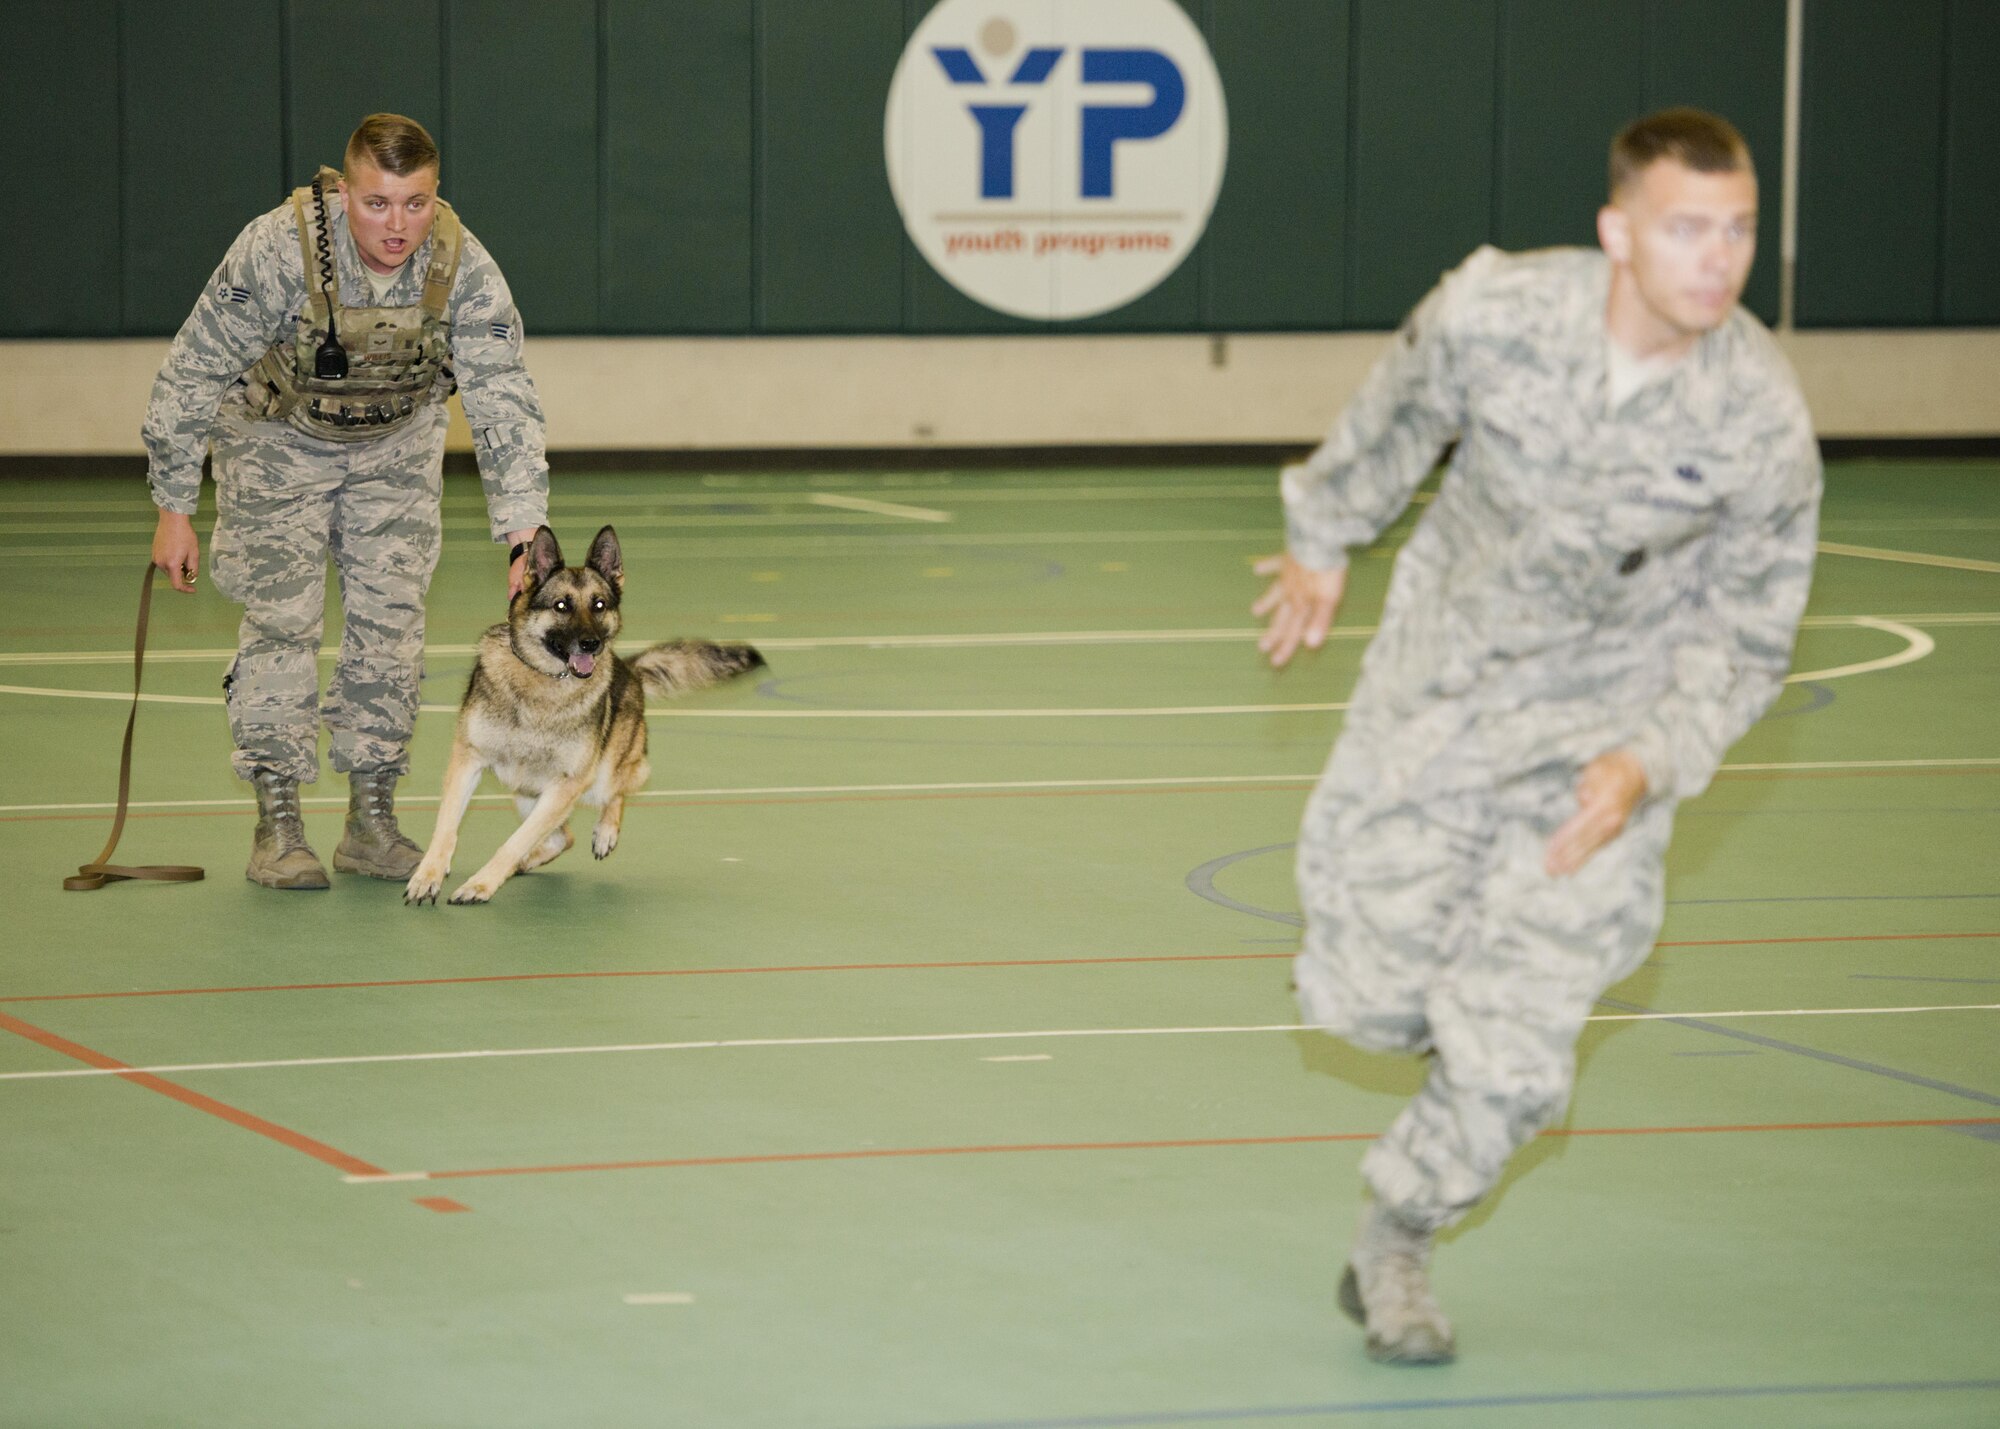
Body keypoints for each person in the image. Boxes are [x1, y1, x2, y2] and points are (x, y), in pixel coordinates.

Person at [1252, 108, 1820, 1364]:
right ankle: (1437, 1006)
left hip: (1599, 748)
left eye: (1736, 231)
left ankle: (1396, 1230)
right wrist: (1319, 538)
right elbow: (1393, 413)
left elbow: (1746, 638)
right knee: (1364, 991)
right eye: (1686, 229)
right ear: (1617, 232)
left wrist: (1648, 760)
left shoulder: (1758, 418)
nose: (1716, 260)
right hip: (1441, 690)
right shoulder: (1495, 311)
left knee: (1513, 1055)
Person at [145, 113, 549, 890]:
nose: (398, 226)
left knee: (392, 627)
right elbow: (193, 369)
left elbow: (504, 394)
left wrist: (523, 527)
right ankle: (279, 821)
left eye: (416, 203)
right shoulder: (277, 247)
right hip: (275, 443)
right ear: (344, 189)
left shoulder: (460, 262)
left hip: (395, 448)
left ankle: (371, 818)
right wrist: (172, 504)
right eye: (377, 203)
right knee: (282, 623)